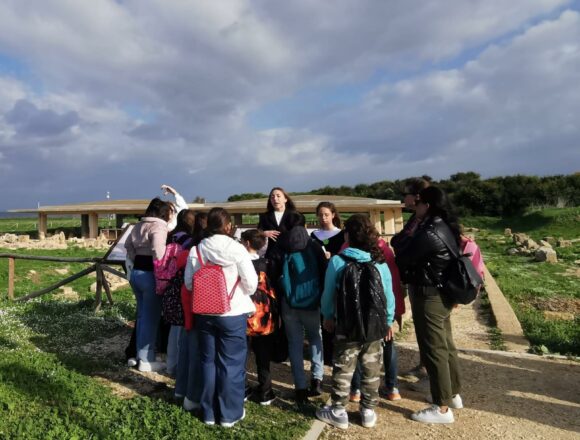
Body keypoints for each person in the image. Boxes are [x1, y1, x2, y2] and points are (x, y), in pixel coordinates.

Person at [316, 214, 395, 430]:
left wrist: (328, 316)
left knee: (343, 368)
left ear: (348, 235)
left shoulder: (338, 261)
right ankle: (368, 411)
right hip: (373, 327)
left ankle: (338, 411)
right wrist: (387, 322)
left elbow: (328, 294)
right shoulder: (379, 261)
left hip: (346, 324)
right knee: (371, 368)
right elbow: (388, 296)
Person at [184, 208, 258, 427]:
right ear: (228, 227)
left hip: (204, 313)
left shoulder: (196, 250)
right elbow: (251, 284)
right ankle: (229, 413)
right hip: (233, 313)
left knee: (207, 361)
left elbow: (189, 284)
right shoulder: (237, 250)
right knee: (231, 364)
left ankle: (208, 412)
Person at [395, 186, 463, 424]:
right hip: (441, 293)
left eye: (419, 203)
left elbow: (401, 252)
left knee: (433, 349)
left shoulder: (430, 232)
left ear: (428, 205)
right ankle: (452, 394)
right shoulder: (445, 226)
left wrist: (408, 235)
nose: (415, 206)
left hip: (430, 295)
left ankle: (442, 407)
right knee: (446, 345)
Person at [278, 211, 327, 404]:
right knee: (315, 338)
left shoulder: (282, 246)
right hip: (312, 301)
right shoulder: (314, 246)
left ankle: (300, 387)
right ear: (305, 226)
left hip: (289, 303)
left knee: (295, 344)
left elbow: (276, 274)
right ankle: (317, 379)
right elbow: (324, 272)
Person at [349, 238, 405, 403]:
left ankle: (356, 389)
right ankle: (392, 387)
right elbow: (392, 283)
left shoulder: (347, 249)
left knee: (357, 346)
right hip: (383, 306)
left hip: (357, 308)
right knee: (388, 344)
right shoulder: (383, 250)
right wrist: (392, 315)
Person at [124, 197, 173, 372]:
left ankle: (138, 355)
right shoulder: (159, 226)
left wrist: (135, 256)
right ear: (163, 213)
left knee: (142, 316)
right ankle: (146, 359)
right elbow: (158, 252)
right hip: (151, 275)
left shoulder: (138, 225)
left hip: (136, 273)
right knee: (151, 319)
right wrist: (163, 268)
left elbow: (128, 245)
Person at [391, 177, 430, 384]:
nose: (403, 199)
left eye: (405, 194)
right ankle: (425, 365)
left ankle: (432, 374)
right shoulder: (415, 218)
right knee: (422, 328)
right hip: (416, 279)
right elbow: (399, 240)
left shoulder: (426, 220)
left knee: (430, 330)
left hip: (426, 281)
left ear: (416, 197)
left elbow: (403, 242)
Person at [241, 229, 278, 406]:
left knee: (242, 352)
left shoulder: (240, 262)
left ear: (246, 243)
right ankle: (265, 390)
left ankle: (243, 387)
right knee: (263, 353)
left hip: (245, 309)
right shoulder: (266, 263)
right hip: (264, 311)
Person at [310, 201, 346, 366]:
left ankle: (339, 350)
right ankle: (326, 353)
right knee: (324, 315)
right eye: (320, 214)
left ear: (333, 215)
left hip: (337, 278)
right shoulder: (314, 236)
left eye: (326, 214)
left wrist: (333, 256)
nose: (323, 218)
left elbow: (345, 255)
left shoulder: (341, 234)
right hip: (319, 278)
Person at [257, 187, 297, 279]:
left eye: (278, 196)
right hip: (272, 257)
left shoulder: (295, 215)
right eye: (272, 197)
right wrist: (264, 233)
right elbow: (256, 233)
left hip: (290, 256)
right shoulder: (265, 217)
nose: (275, 199)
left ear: (285, 199)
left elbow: (300, 235)